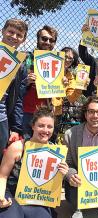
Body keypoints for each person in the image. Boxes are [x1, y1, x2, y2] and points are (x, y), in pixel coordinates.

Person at [0, 106, 68, 218]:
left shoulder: (56, 152)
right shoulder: (18, 147)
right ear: (33, 126)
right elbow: (2, 176)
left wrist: (64, 173)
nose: (45, 130)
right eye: (41, 125)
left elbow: (54, 185)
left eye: (49, 127)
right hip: (12, 193)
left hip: (36, 198)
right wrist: (1, 196)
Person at [22, 25, 59, 140]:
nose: (47, 42)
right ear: (38, 39)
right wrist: (26, 82)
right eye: (44, 39)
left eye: (51, 40)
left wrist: (63, 83)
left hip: (45, 113)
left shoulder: (57, 62)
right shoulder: (26, 58)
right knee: (24, 146)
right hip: (25, 112)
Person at [0, 18, 28, 157]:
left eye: (19, 35)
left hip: (1, 114)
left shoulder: (21, 65)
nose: (14, 37)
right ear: (3, 31)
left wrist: (16, 128)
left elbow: (18, 99)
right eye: (11, 32)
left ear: (23, 40)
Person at [51, 47, 84, 142]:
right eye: (66, 56)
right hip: (41, 109)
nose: (68, 60)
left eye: (71, 58)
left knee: (51, 140)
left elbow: (71, 98)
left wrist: (80, 86)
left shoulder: (70, 76)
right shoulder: (50, 68)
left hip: (56, 113)